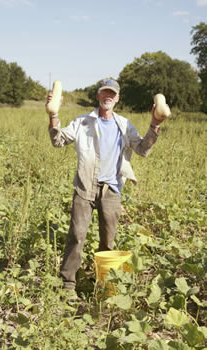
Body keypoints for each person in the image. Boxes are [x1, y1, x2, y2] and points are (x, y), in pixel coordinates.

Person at [46, 78, 163, 293]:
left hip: (112, 190)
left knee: (108, 241)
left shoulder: (125, 125)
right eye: (104, 92)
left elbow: (142, 149)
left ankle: (102, 284)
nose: (108, 96)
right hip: (84, 186)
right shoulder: (83, 122)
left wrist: (155, 123)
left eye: (112, 93)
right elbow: (58, 140)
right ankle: (68, 284)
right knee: (77, 235)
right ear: (98, 96)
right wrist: (53, 115)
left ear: (117, 98)